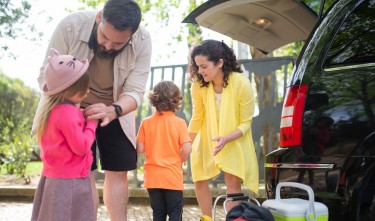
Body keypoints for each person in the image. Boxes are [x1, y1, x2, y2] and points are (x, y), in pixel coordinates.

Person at [32, 0, 152, 220]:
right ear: (99, 18)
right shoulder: (70, 25)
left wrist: (113, 110)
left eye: (118, 44)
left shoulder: (143, 41)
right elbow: (44, 76)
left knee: (118, 170)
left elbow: (135, 91)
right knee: (83, 171)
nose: (108, 46)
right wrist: (72, 104)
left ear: (132, 35)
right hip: (69, 107)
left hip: (115, 108)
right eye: (104, 37)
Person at [187, 39, 259, 221]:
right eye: (197, 66)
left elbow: (245, 123)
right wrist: (186, 144)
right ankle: (206, 218)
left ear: (219, 63)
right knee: (199, 179)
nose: (200, 71)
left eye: (204, 66)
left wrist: (227, 138)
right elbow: (197, 118)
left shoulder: (241, 83)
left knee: (232, 182)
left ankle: (233, 219)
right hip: (207, 136)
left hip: (233, 138)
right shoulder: (198, 85)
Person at [31, 48, 97, 221]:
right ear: (69, 89)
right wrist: (92, 124)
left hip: (52, 179)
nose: (87, 91)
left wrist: (81, 117)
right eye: (84, 88)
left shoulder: (51, 111)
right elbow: (81, 147)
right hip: (70, 182)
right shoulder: (68, 113)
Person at [136, 81, 192, 221]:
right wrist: (182, 157)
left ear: (154, 99)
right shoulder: (179, 123)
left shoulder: (146, 122)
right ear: (176, 100)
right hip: (172, 176)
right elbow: (187, 148)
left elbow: (140, 148)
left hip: (153, 178)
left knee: (158, 213)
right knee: (175, 212)